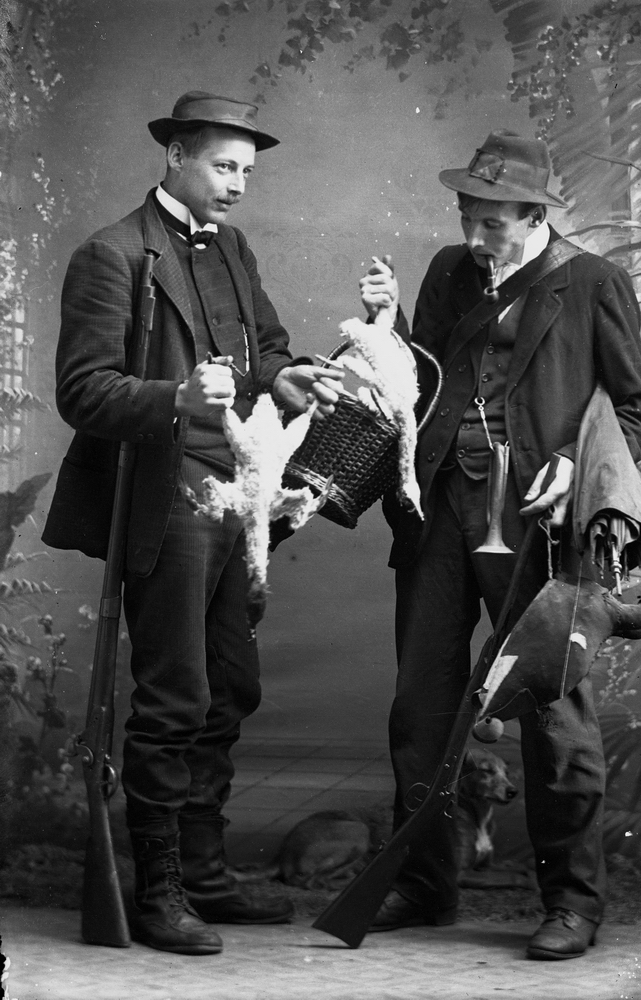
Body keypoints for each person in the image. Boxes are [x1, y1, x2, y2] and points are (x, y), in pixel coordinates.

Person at [42, 91, 343, 956]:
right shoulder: (111, 254)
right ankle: (159, 891)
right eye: (222, 165)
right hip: (166, 499)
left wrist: (283, 378)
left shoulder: (233, 246)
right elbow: (83, 392)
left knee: (231, 686)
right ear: (174, 155)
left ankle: (205, 874)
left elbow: (267, 348)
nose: (238, 183)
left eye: (246, 170)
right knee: (174, 697)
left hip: (241, 497)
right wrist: (175, 397)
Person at [358, 131, 641, 960]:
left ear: (534, 216)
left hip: (538, 527)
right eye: (467, 215)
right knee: (421, 705)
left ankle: (572, 903)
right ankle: (426, 884)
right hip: (440, 513)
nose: (474, 234)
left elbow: (634, 408)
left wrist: (574, 466)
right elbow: (421, 381)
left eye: (492, 222)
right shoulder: (449, 272)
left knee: (552, 713)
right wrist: (386, 325)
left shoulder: (592, 281)